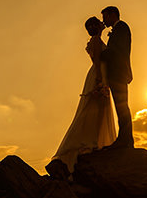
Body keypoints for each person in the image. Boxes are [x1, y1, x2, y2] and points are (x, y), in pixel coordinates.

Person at [46, 16, 117, 179]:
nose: (102, 23)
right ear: (96, 26)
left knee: (97, 112)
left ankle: (93, 143)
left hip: (98, 75)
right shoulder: (96, 41)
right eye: (99, 22)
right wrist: (100, 81)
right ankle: (90, 143)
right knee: (93, 111)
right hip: (98, 76)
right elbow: (98, 63)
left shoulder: (94, 41)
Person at [100, 5, 134, 149]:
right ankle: (124, 139)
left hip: (118, 73)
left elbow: (116, 50)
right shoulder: (118, 29)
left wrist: (101, 54)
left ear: (112, 14)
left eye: (105, 16)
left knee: (122, 107)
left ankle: (125, 140)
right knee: (120, 107)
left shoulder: (121, 28)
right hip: (116, 73)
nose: (104, 20)